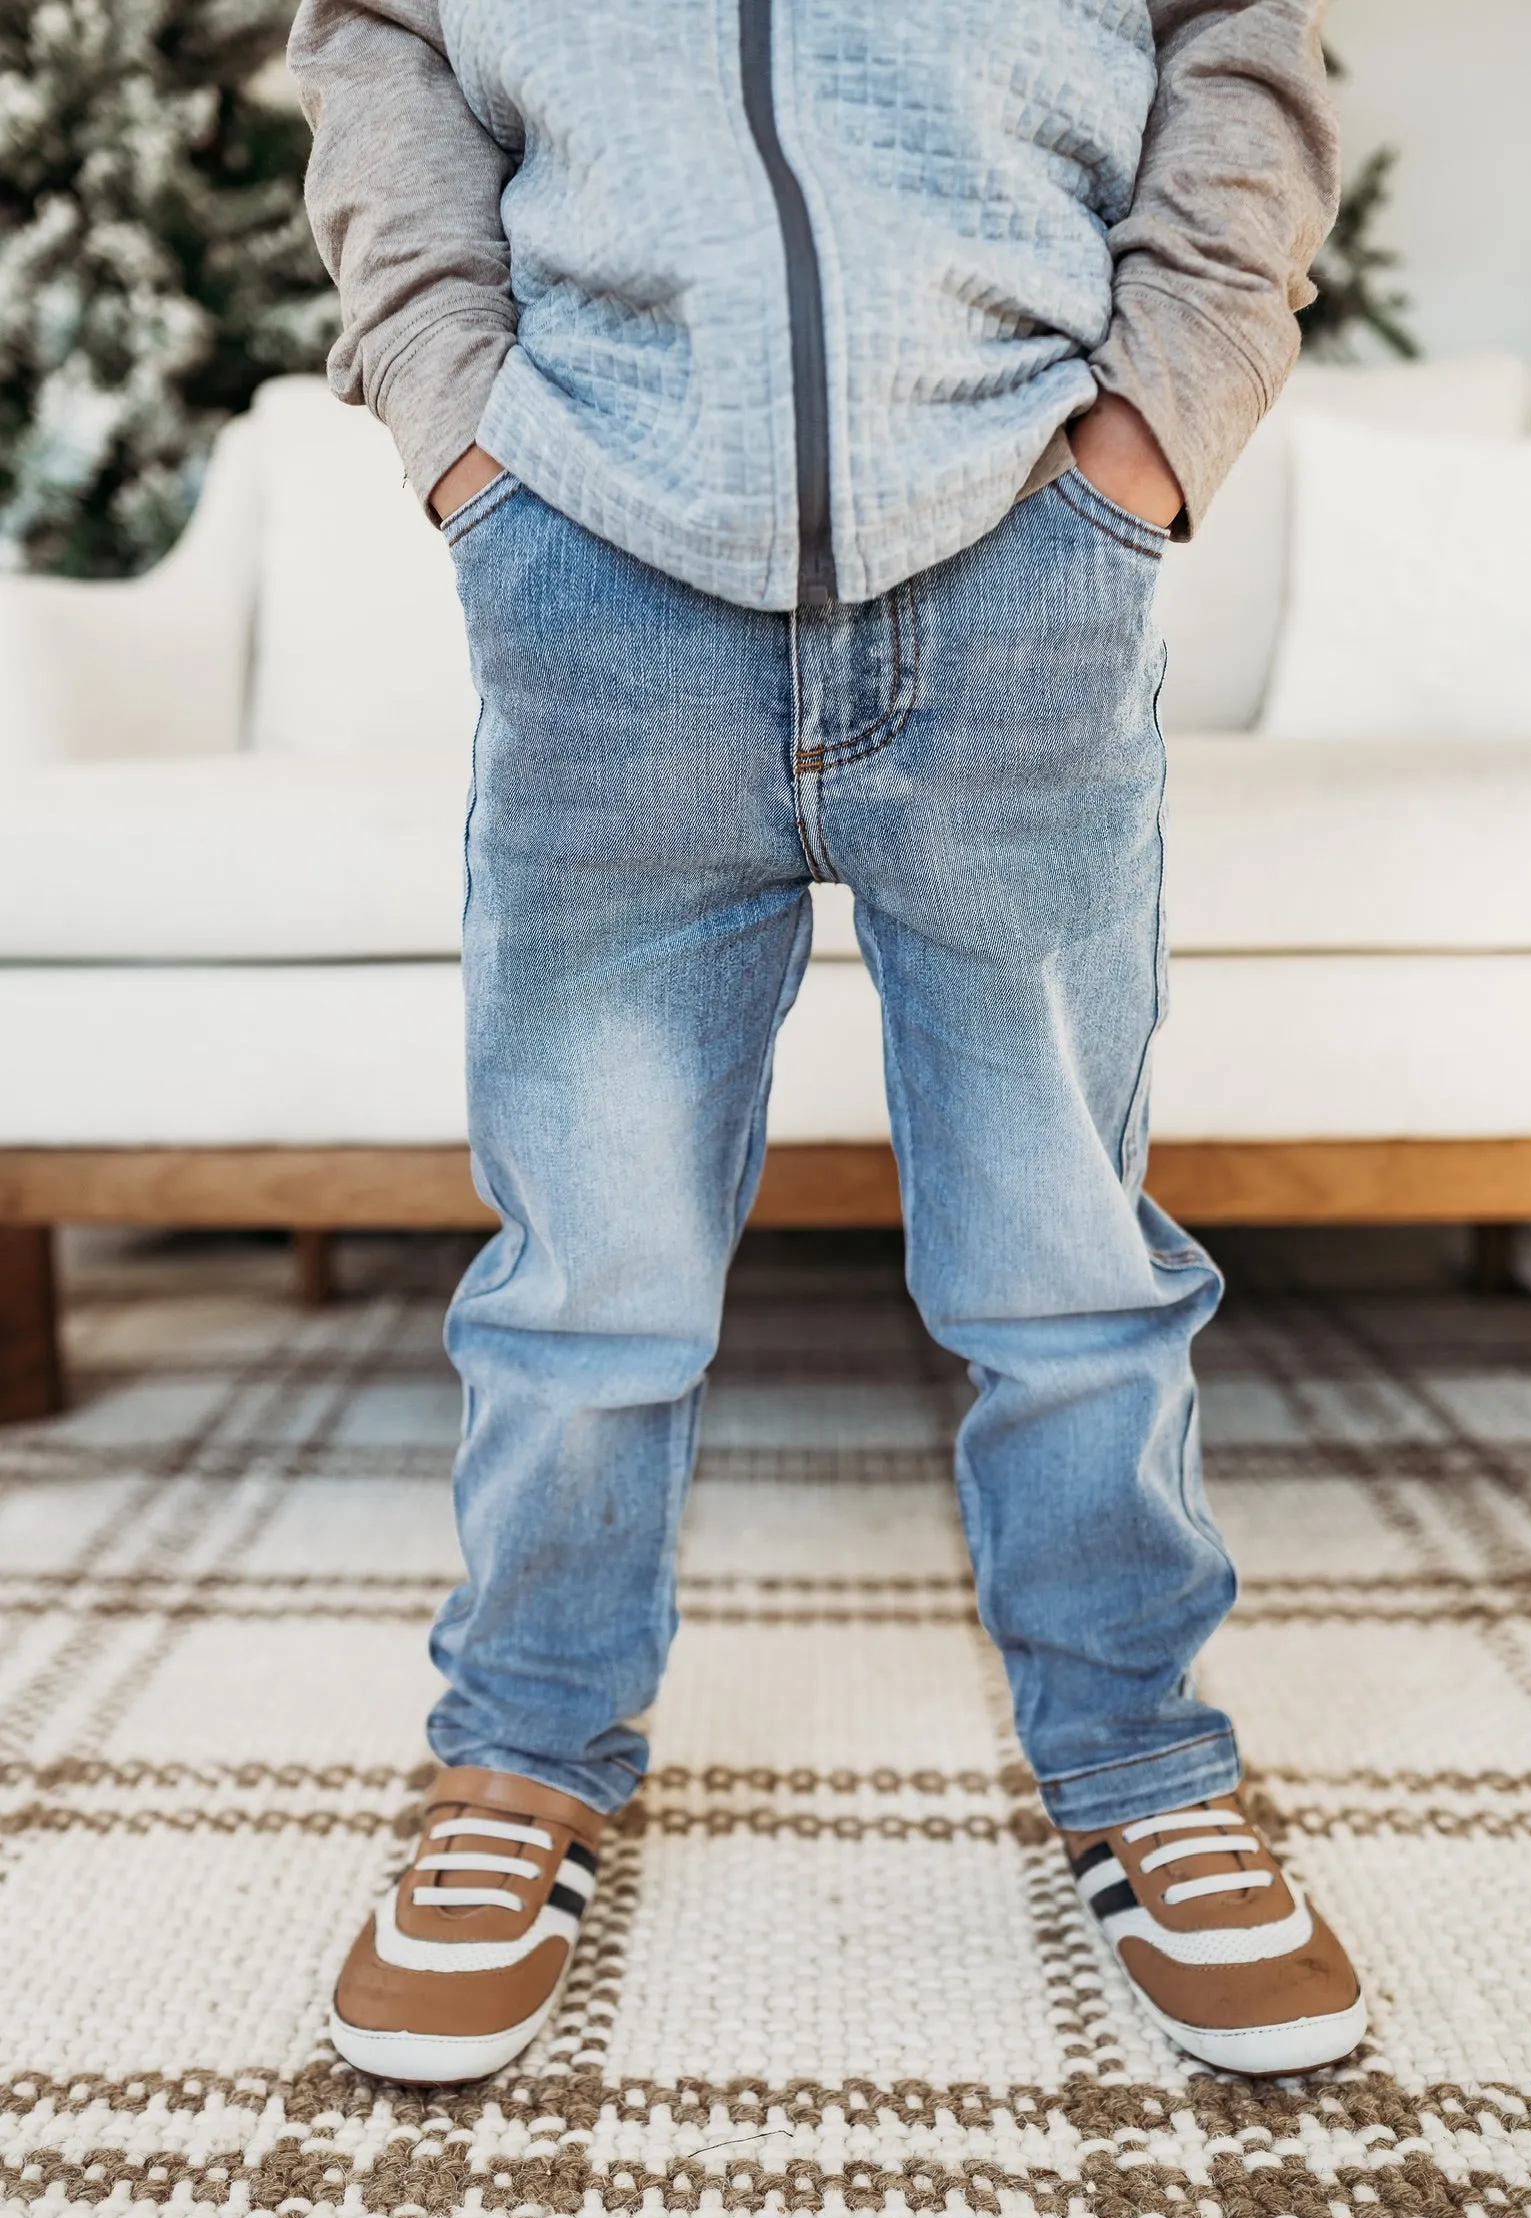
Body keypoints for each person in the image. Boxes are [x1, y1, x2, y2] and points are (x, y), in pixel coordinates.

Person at [289, 0, 1364, 2086]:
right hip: (598, 566)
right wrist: (463, 437)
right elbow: (377, 45)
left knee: (1068, 1252)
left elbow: (1245, 39)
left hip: (1022, 564)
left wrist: (1151, 434)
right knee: (587, 1268)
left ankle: (1144, 1753)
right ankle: (521, 1755)